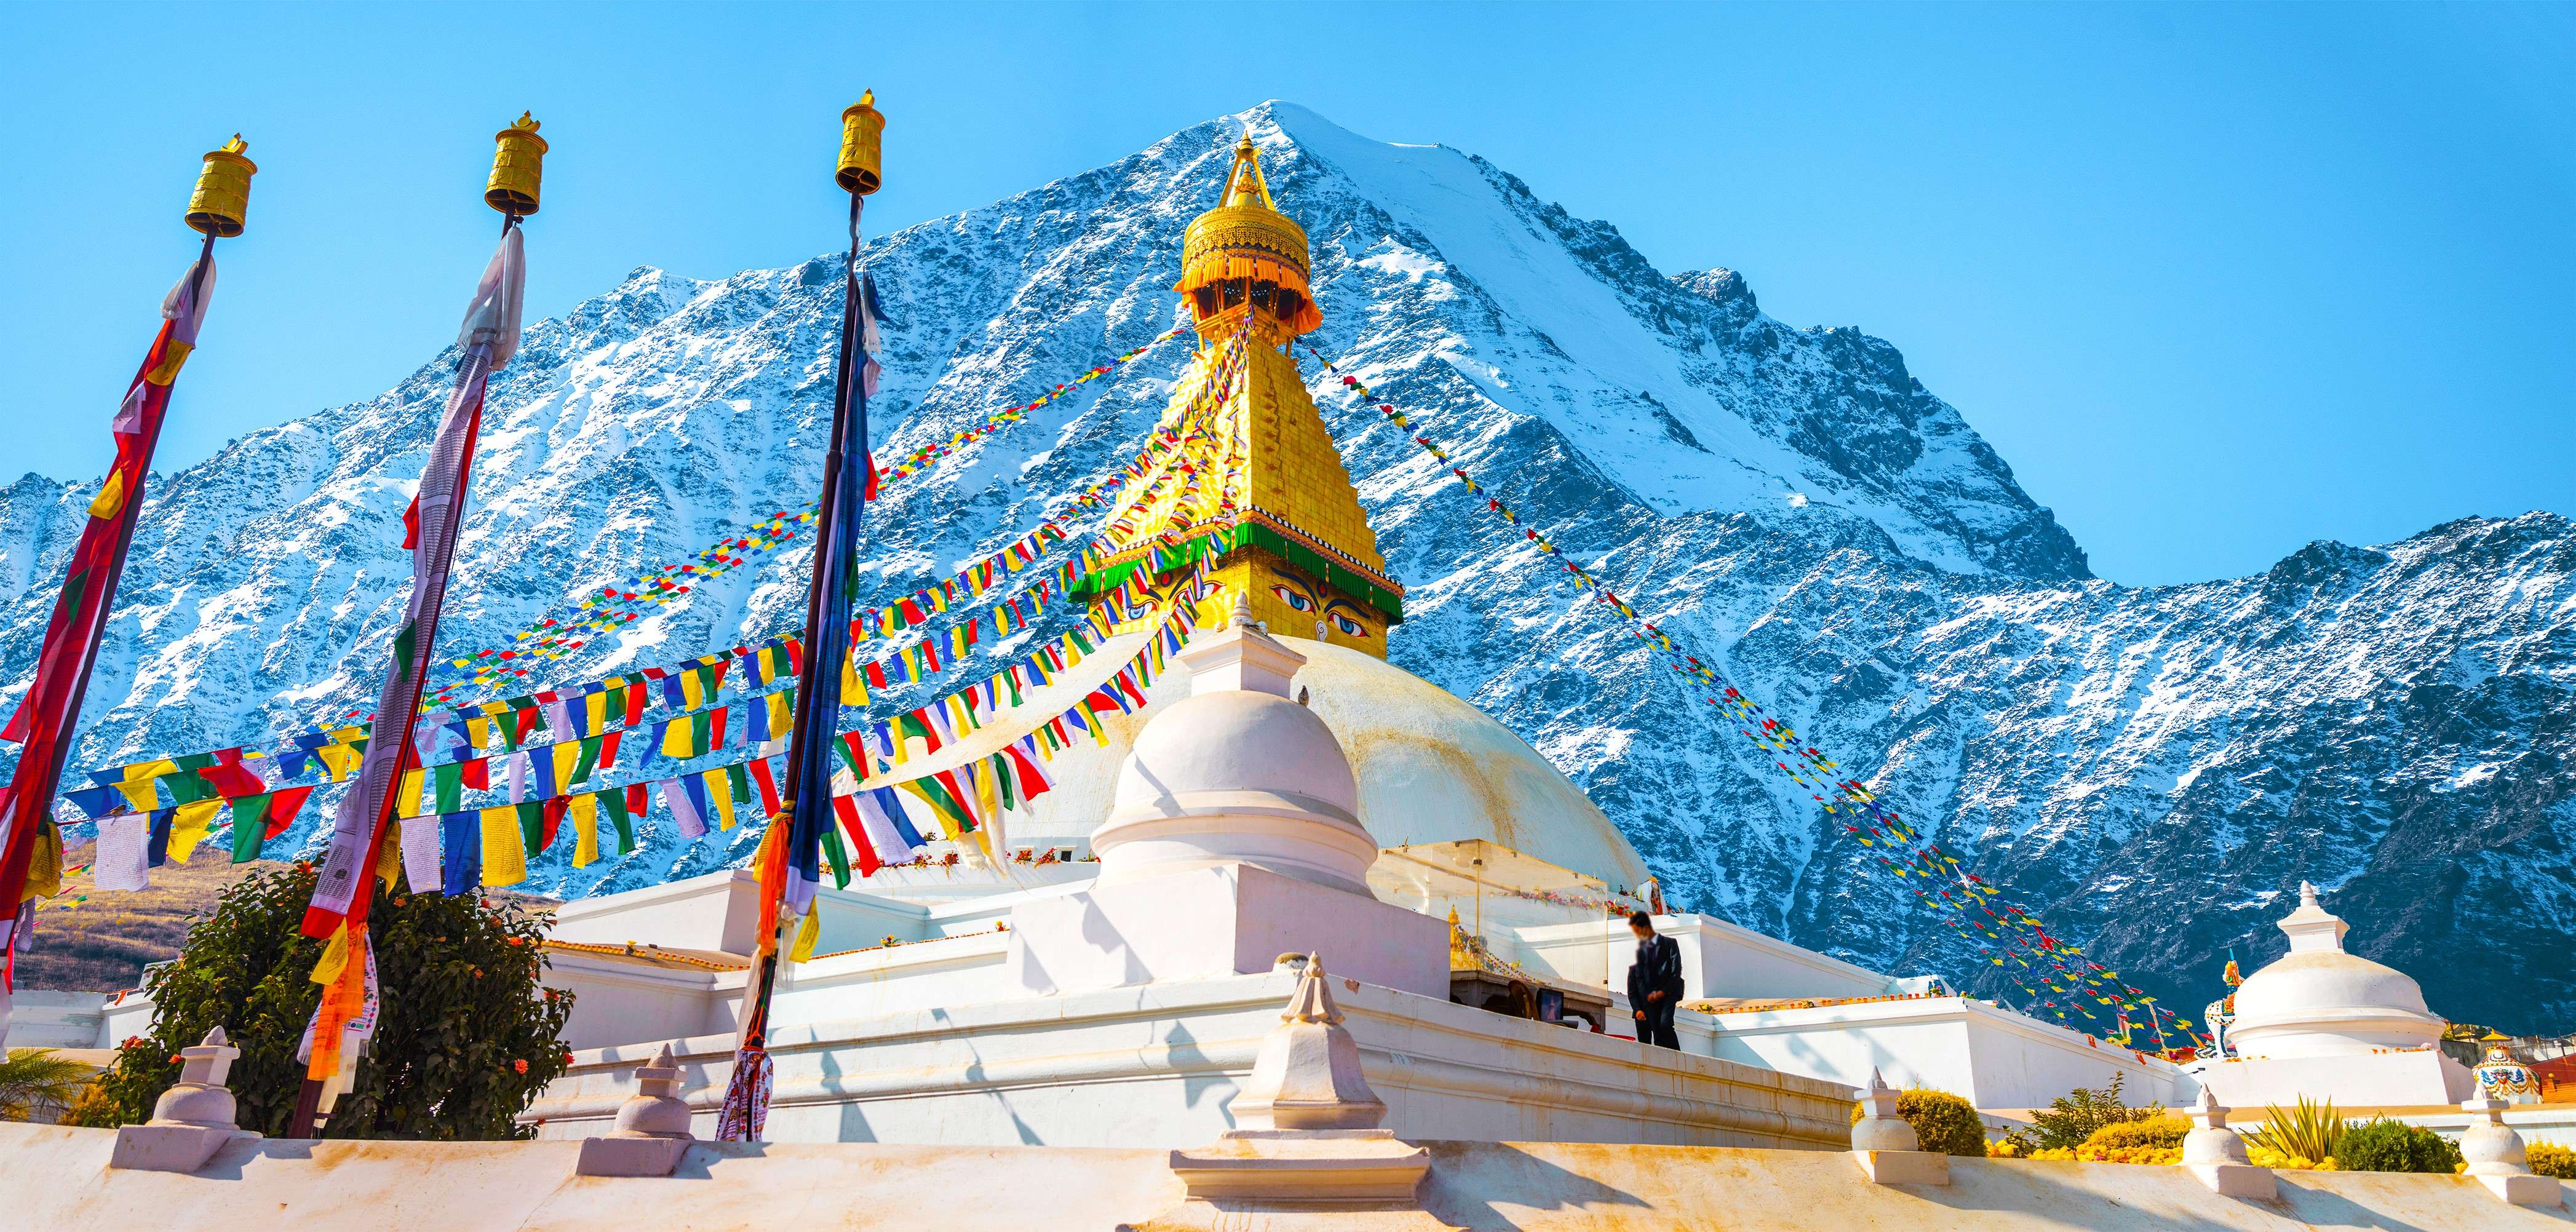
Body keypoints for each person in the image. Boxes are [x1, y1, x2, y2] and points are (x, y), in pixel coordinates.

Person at [1626, 910, 1683, 1049]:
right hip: (1652, 996)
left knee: (1665, 1024)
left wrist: (1662, 992)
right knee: (1656, 1032)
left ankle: (1679, 1055)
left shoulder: (1670, 944)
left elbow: (1676, 971)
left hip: (1670, 991)